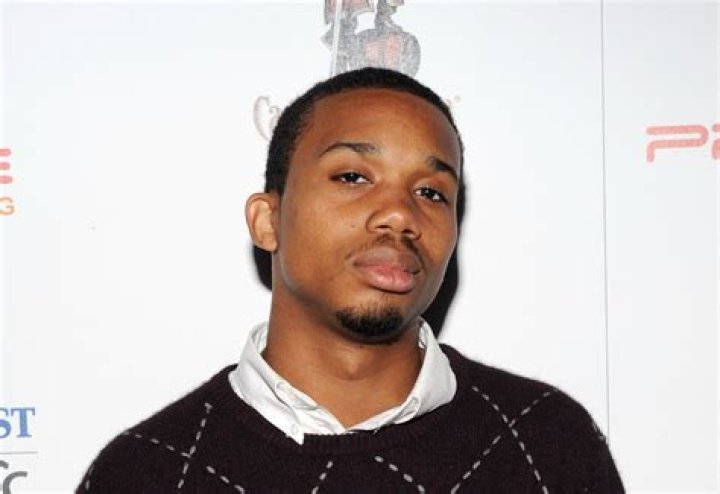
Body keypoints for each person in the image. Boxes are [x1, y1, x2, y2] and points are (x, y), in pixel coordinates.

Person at [78, 67, 623, 493]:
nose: (400, 214)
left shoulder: (546, 441)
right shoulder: (144, 473)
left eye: (431, 192)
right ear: (268, 221)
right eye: (353, 176)